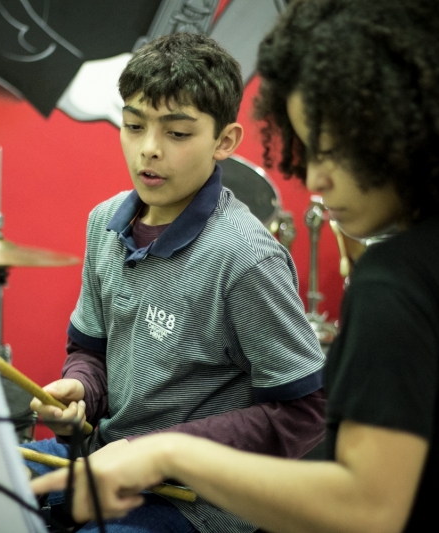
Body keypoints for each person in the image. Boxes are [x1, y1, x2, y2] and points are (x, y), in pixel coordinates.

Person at [30, 0, 439, 531]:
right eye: (308, 149)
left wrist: (164, 453)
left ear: (409, 128)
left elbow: (364, 508)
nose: (313, 179)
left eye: (333, 149)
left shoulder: (401, 280)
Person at [23, 31, 327, 533]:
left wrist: (159, 453)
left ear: (224, 141)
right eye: (133, 125)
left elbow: (303, 412)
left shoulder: (244, 257)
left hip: (194, 500)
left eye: (178, 134)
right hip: (101, 455)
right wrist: (80, 391)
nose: (149, 150)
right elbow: (90, 352)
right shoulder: (105, 223)